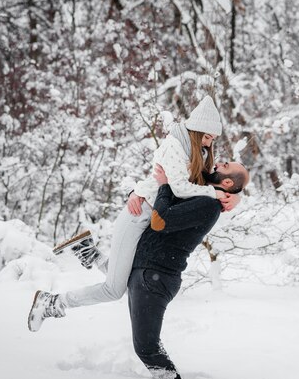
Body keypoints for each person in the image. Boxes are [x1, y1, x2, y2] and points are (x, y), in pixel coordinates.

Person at [27, 96, 239, 332]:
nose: (209, 144)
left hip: (149, 216)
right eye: (207, 137)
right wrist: (215, 194)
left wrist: (235, 194)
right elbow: (177, 187)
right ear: (195, 130)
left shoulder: (196, 152)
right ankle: (52, 303)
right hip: (138, 214)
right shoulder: (175, 146)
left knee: (128, 278)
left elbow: (214, 182)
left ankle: (86, 251)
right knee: (114, 289)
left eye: (213, 139)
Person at [128, 161, 249, 379]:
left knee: (147, 348)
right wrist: (135, 193)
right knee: (113, 289)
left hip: (156, 275)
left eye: (225, 164)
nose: (218, 162)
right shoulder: (201, 192)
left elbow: (161, 220)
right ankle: (87, 254)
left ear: (228, 181)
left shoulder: (208, 204)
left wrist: (164, 185)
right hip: (148, 269)